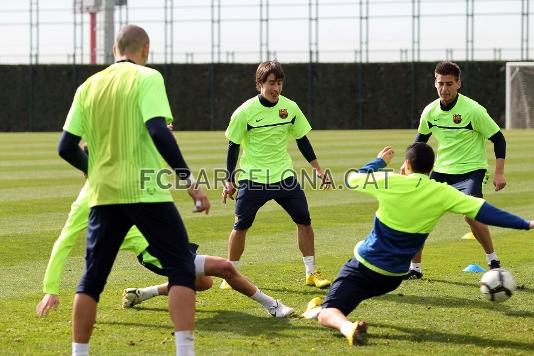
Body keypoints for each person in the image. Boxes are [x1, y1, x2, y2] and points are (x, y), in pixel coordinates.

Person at [58, 25, 209, 356]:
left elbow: (66, 146)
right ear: (145, 49)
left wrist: (94, 172)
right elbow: (158, 129)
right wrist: (189, 181)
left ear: (115, 48)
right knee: (182, 268)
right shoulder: (148, 77)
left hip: (104, 194)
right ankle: (185, 352)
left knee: (92, 279)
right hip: (145, 192)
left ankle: (78, 353)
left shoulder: (88, 86)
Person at [302, 143, 532, 346]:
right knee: (342, 298)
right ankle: (319, 308)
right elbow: (484, 210)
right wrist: (525, 223)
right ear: (431, 169)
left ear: (407, 164)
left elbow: (354, 178)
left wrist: (380, 161)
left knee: (330, 312)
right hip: (393, 277)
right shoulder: (442, 192)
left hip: (364, 266)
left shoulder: (391, 181)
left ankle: (347, 327)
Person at [36, 181, 293, 319]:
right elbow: (63, 242)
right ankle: (273, 306)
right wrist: (50, 289)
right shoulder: (87, 201)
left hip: (169, 241)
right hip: (156, 252)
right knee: (224, 267)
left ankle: (142, 294)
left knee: (204, 284)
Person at [220, 60, 331, 290]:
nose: (276, 88)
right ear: (260, 84)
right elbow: (233, 146)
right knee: (241, 225)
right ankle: (230, 275)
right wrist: (229, 179)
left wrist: (318, 169)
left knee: (304, 221)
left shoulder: (290, 108)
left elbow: (302, 140)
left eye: (279, 83)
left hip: (284, 177)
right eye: (271, 83)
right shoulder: (245, 112)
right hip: (253, 179)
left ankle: (311, 272)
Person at [401, 61, 508, 280]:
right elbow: (420, 141)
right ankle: (415, 268)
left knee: (471, 214)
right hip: (441, 170)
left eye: (449, 83)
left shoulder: (474, 111)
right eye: (440, 83)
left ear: (458, 83)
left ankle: (493, 260)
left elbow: (498, 139)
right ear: (435, 83)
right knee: (419, 212)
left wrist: (499, 172)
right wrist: (407, 163)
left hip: (471, 170)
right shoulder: (430, 111)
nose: (444, 89)